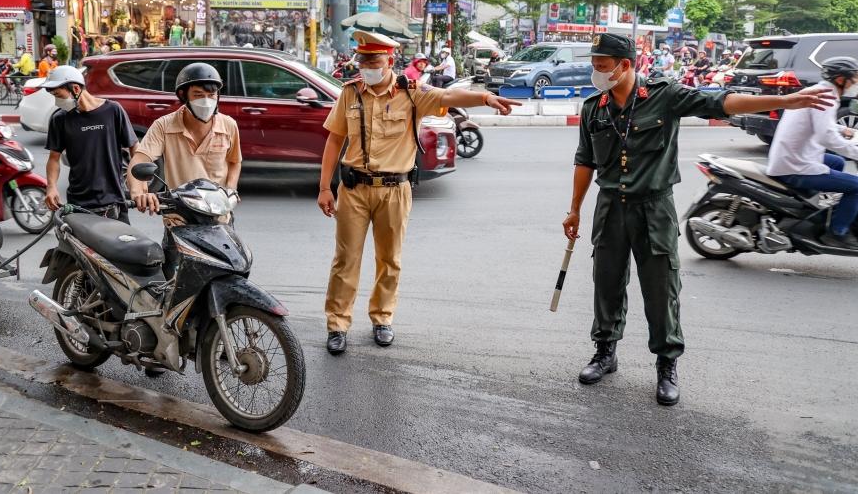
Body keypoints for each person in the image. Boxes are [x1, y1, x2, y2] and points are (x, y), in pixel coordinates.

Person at [563, 32, 834, 406]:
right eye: (594, 66)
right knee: (606, 281)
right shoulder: (594, 107)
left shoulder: (665, 95)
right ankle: (604, 352)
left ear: (625, 65)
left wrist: (785, 100)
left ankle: (666, 364)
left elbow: (722, 102)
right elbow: (585, 160)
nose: (596, 73)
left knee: (661, 288)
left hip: (653, 207)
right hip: (610, 207)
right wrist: (575, 208)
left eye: (602, 66)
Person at [317, 30, 520, 354]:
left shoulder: (411, 94)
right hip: (354, 190)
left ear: (390, 61)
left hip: (395, 191)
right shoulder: (350, 93)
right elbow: (333, 139)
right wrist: (325, 187)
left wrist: (485, 98)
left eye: (375, 60)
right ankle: (337, 324)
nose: (368, 66)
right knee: (345, 259)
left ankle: (382, 318)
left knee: (389, 260)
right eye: (364, 60)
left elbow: (447, 98)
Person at [128, 63, 242, 272]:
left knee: (230, 275)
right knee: (175, 285)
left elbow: (234, 162)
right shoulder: (164, 125)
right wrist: (139, 193)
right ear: (184, 96)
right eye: (198, 94)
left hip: (220, 219)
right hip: (180, 221)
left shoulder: (228, 126)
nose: (206, 100)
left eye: (212, 94)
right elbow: (139, 161)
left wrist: (231, 189)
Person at [767, 57, 858, 249]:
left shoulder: (817, 91)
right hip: (794, 166)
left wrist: (843, 130)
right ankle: (837, 232)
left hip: (792, 155)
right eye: (854, 78)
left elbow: (821, 125)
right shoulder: (827, 96)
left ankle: (813, 207)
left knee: (837, 163)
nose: (856, 83)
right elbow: (826, 137)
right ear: (841, 79)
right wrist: (855, 152)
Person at [44, 66, 138, 222]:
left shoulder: (113, 110)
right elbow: (54, 158)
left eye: (58, 95)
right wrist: (51, 186)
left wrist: (136, 186)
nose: (57, 101)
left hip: (114, 200)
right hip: (78, 203)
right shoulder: (59, 119)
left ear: (75, 88)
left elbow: (134, 147)